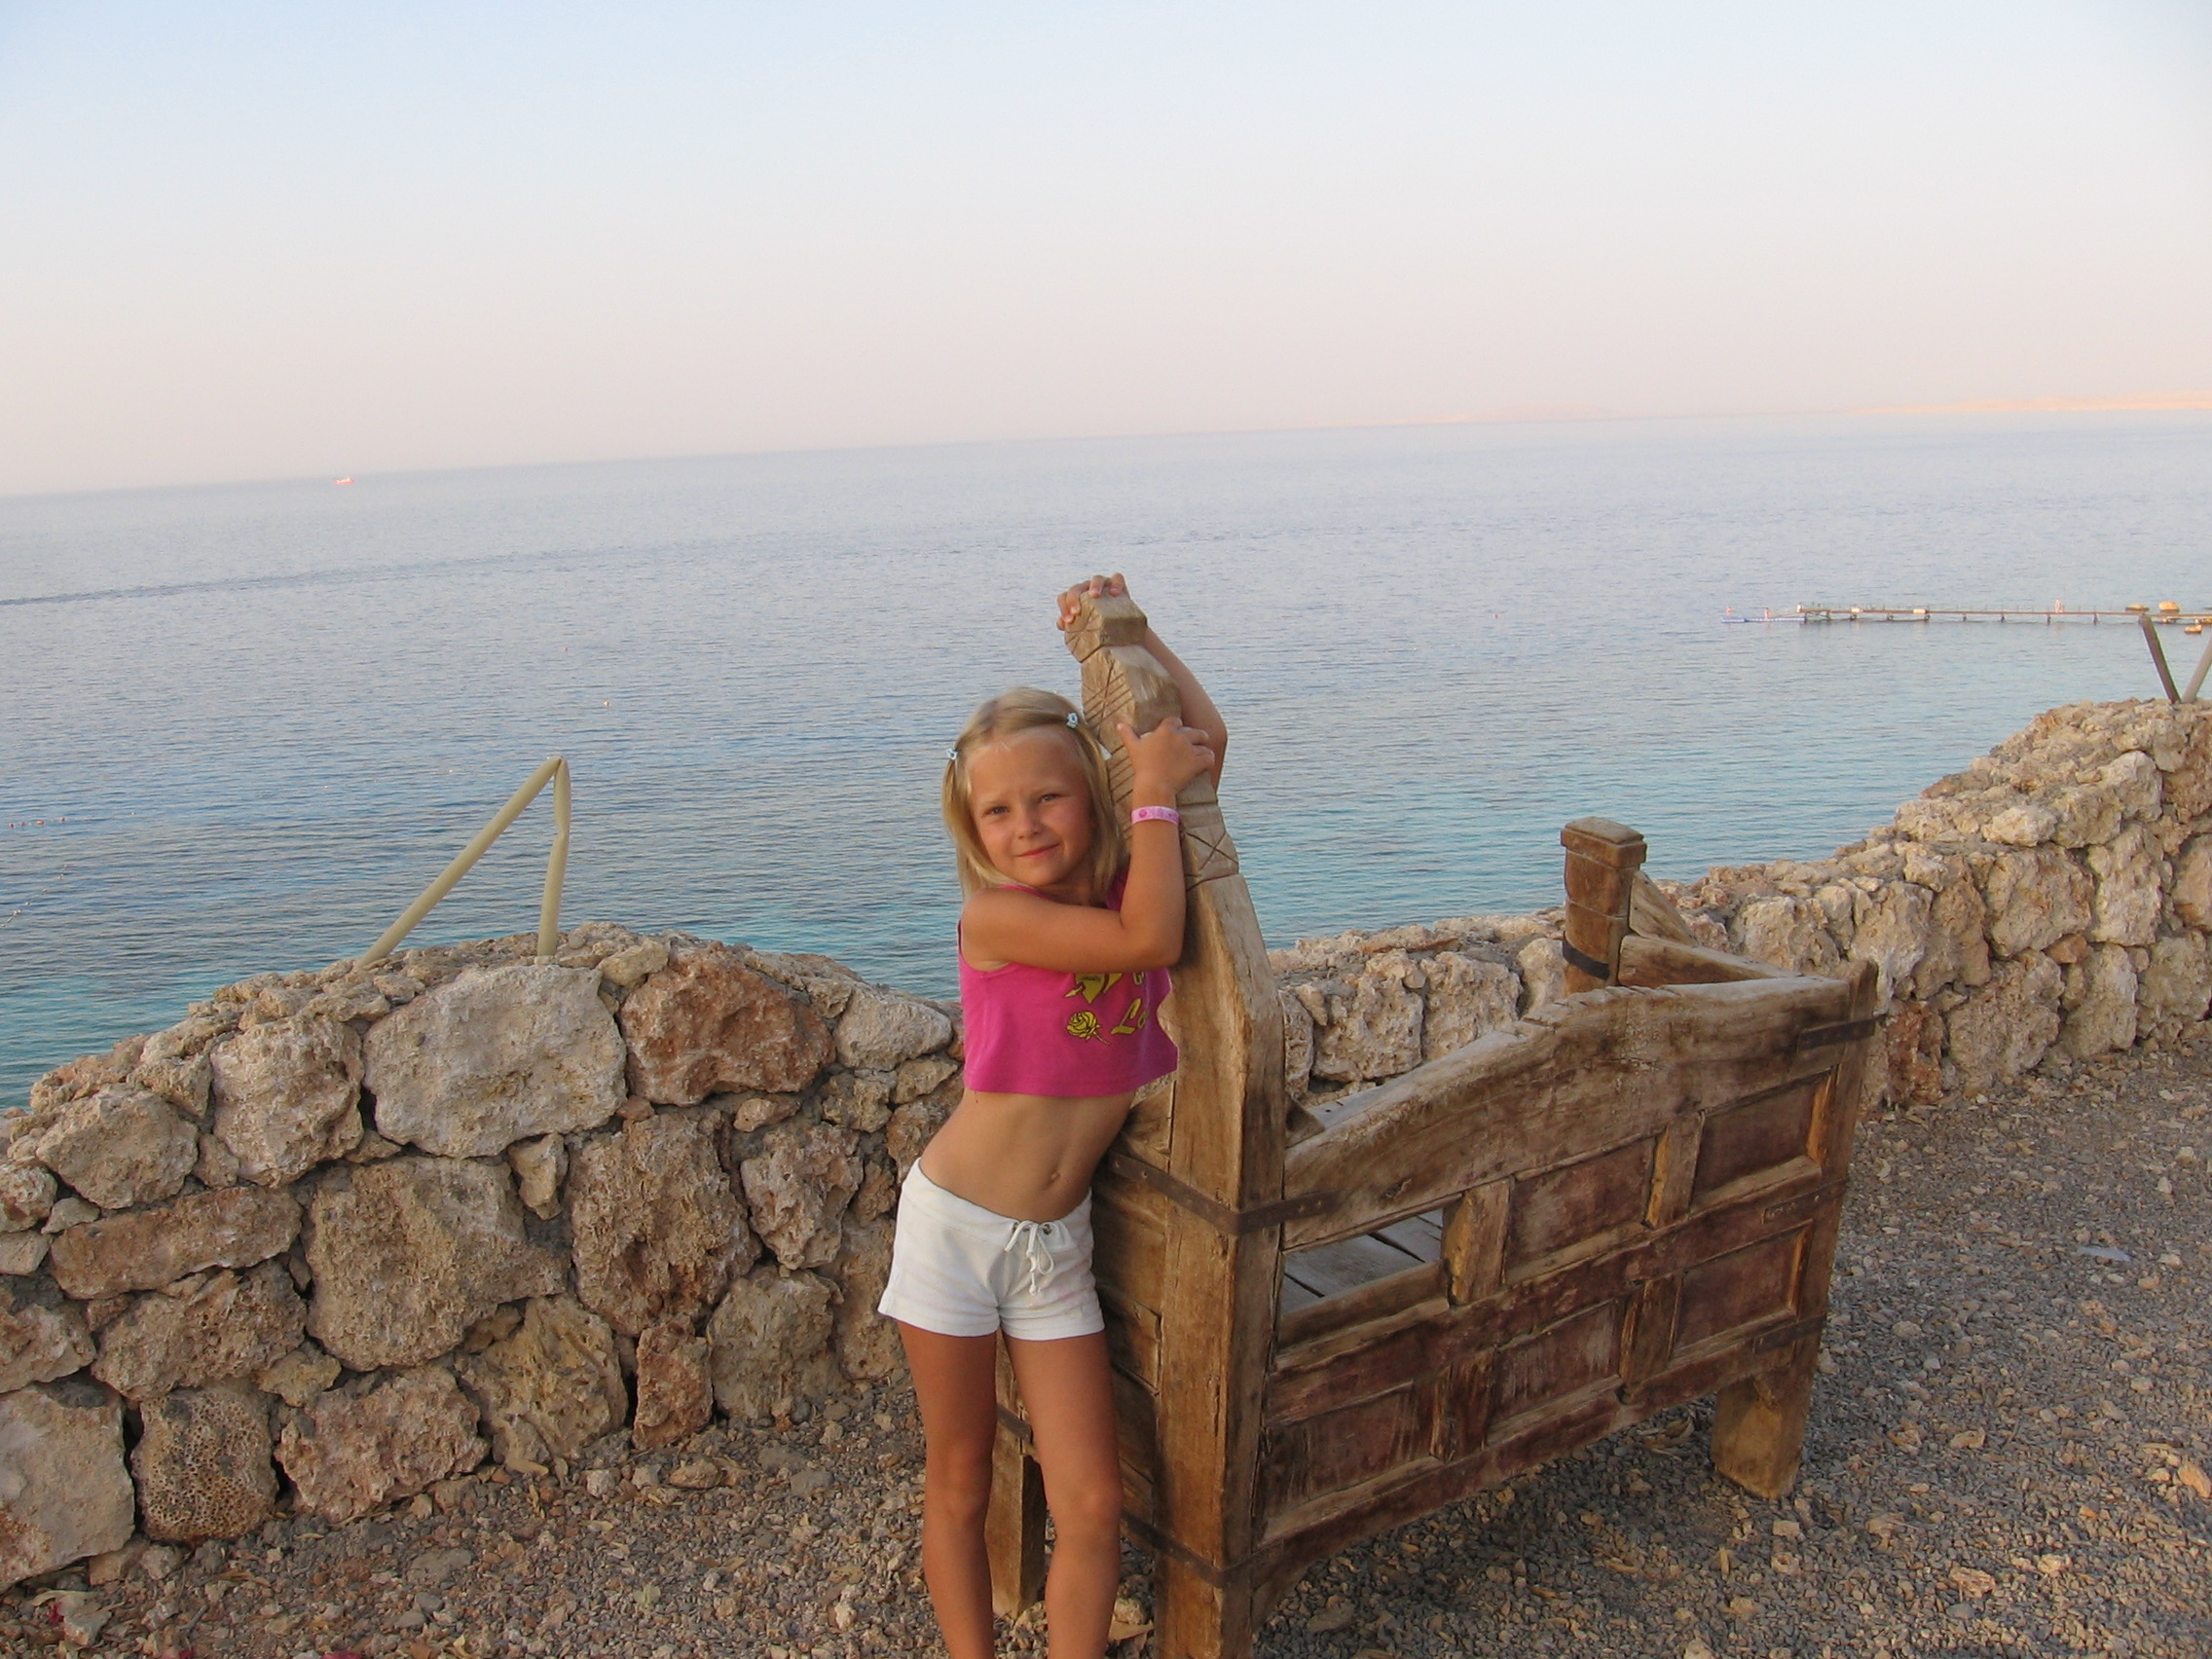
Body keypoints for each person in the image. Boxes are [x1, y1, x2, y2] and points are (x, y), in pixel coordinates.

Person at [877, 573, 1227, 1659]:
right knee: (959, 1475)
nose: (1026, 825)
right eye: (998, 811)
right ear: (971, 827)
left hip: (1054, 1245)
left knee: (1092, 1503)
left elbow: (1203, 744)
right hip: (955, 1228)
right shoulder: (998, 918)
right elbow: (1148, 944)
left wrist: (1135, 633)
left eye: (1049, 798)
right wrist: (1151, 793)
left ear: (1090, 793)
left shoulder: (1129, 876)